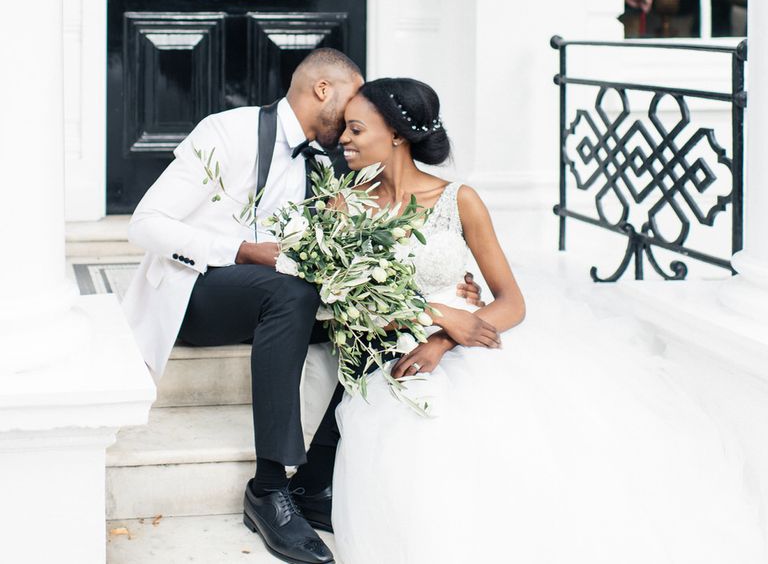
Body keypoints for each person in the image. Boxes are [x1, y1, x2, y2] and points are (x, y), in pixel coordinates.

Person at [331, 77, 766, 564]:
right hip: (389, 345)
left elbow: (511, 301)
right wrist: (438, 313)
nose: (342, 140)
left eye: (354, 129)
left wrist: (443, 341)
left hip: (461, 346)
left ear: (395, 134)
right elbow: (344, 290)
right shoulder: (347, 204)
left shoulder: (460, 200)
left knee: (514, 430)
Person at [121, 49, 482, 564]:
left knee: (372, 318)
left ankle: (315, 480)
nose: (358, 120)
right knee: (291, 292)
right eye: (352, 101)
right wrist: (240, 251)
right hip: (197, 293)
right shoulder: (228, 132)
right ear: (322, 91)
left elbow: (374, 243)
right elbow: (145, 223)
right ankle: (269, 488)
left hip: (280, 305)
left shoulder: (340, 158)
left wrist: (446, 286)